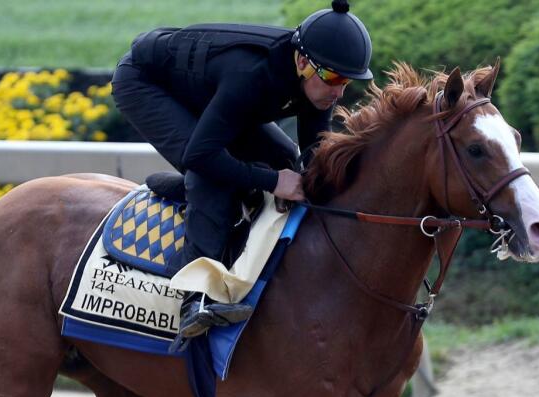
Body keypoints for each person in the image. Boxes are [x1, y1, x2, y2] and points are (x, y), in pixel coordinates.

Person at [111, 1, 374, 340]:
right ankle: (195, 297)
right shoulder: (251, 76)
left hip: (207, 89)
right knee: (213, 178)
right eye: (334, 78)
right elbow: (202, 155)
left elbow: (311, 153)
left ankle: (188, 192)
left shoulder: (314, 82)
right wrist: (272, 181)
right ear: (304, 63)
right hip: (146, 83)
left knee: (283, 155)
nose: (339, 92)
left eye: (347, 82)